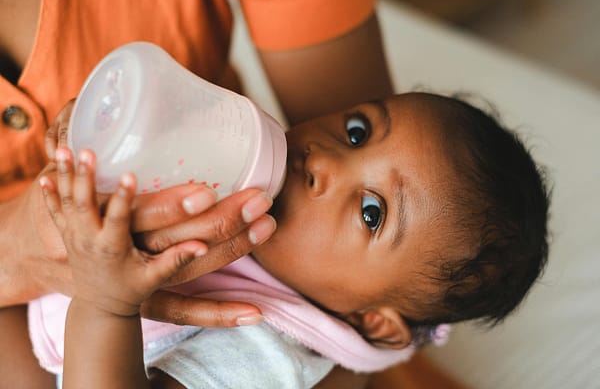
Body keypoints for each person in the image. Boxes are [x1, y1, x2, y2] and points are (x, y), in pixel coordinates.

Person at [24, 92, 549, 388]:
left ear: (369, 318)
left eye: (372, 212)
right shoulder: (241, 170)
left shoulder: (269, 352)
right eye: (358, 132)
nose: (323, 160)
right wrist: (102, 135)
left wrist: (106, 303)